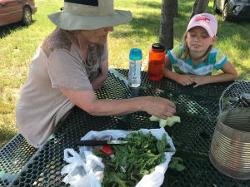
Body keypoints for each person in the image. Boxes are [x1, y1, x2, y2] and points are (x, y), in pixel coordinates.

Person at [16, 0, 176, 148]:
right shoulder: (60, 52)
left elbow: (103, 73)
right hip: (45, 120)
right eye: (101, 23)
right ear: (78, 24)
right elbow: (92, 106)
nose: (110, 28)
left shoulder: (95, 37)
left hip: (72, 109)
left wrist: (85, 94)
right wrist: (144, 102)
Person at [164, 13, 238, 87]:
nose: (197, 39)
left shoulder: (215, 55)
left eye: (204, 36)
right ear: (186, 37)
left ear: (213, 40)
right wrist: (177, 77)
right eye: (193, 35)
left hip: (203, 90)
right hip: (178, 87)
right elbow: (156, 66)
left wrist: (206, 79)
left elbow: (233, 74)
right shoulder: (179, 51)